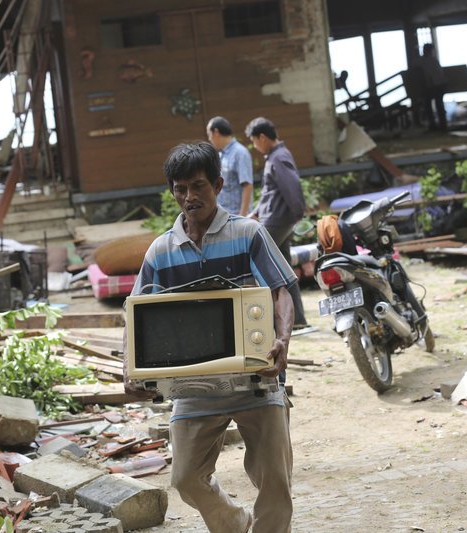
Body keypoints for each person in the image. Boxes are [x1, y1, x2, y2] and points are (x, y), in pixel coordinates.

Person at [126, 141, 295, 533]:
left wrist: (283, 340)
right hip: (193, 386)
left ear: (218, 185)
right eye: (181, 189)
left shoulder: (248, 233)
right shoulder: (160, 252)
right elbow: (134, 315)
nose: (190, 196)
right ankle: (234, 522)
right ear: (172, 192)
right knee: (185, 477)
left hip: (256, 380)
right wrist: (127, 367)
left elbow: (280, 291)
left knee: (275, 481)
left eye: (198, 186)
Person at [244, 117, 312, 333]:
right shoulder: (275, 157)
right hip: (276, 219)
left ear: (262, 137)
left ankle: (268, 320)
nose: (255, 146)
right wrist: (255, 212)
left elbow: (292, 187)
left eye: (254, 141)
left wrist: (298, 213)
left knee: (257, 263)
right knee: (285, 271)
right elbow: (270, 193)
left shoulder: (279, 157)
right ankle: (297, 320)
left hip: (277, 221)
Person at [206, 116, 254, 216]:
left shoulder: (240, 153)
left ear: (216, 132)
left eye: (209, 134)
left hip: (236, 215)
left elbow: (247, 186)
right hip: (224, 214)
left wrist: (242, 216)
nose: (209, 139)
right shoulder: (220, 154)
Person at [418, 43, 448, 131]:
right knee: (436, 105)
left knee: (432, 106)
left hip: (434, 86)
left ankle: (437, 124)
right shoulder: (431, 60)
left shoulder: (425, 61)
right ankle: (440, 124)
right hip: (435, 85)